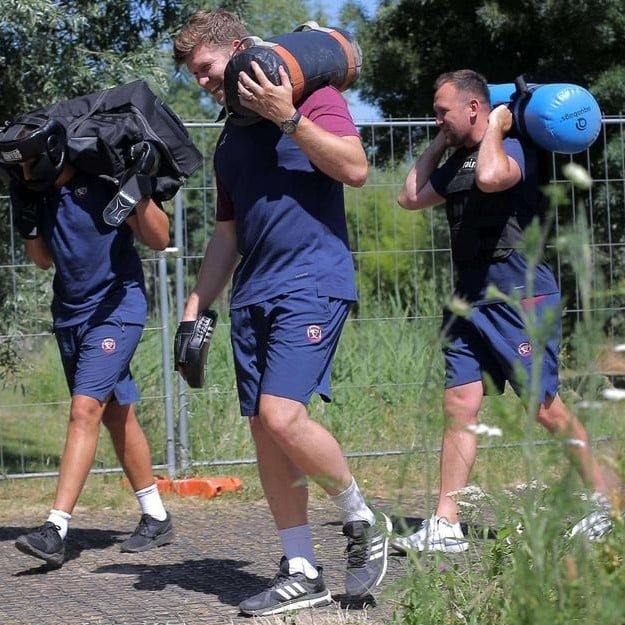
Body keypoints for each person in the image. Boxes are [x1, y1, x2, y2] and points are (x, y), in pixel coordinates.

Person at [173, 9, 391, 617]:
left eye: (207, 69)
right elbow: (225, 236)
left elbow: (356, 169)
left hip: (312, 283)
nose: (203, 82)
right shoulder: (229, 138)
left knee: (282, 415)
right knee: (264, 431)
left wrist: (287, 118)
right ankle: (301, 569)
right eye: (196, 75)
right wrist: (196, 308)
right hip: (253, 294)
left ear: (240, 50)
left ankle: (361, 521)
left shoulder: (316, 98)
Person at [392, 69, 621, 554]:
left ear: (475, 108)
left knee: (543, 407)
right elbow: (410, 196)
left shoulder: (514, 150)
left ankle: (609, 503)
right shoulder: (454, 160)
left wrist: (497, 126)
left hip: (520, 298)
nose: (437, 119)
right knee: (459, 404)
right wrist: (439, 141)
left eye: (443, 112)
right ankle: (446, 524)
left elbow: (494, 177)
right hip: (468, 300)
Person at [2, 115, 174, 568]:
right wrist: (26, 220)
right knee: (118, 413)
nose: (24, 173)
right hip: (70, 315)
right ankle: (156, 516)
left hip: (117, 310)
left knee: (85, 410)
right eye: (17, 168)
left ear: (52, 151)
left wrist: (138, 191)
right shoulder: (38, 194)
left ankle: (55, 530)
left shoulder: (103, 180)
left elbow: (159, 238)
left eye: (29, 164)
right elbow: (42, 261)